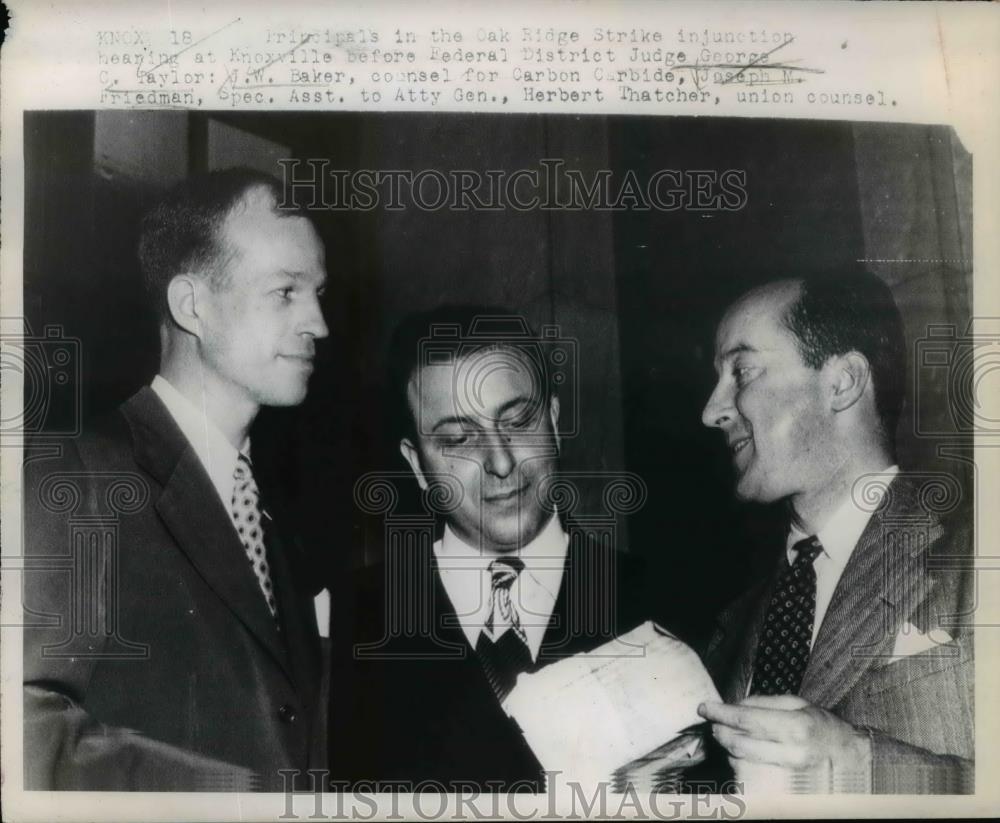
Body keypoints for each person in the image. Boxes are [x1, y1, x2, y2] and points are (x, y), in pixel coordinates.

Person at [23, 168, 330, 791]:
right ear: (192, 305)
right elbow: (24, 730)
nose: (319, 324)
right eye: (285, 292)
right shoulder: (73, 475)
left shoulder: (277, 518)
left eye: (319, 292)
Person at [334, 307, 657, 791]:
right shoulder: (342, 625)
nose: (501, 461)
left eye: (518, 421)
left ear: (553, 420)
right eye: (459, 439)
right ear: (417, 466)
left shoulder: (670, 604)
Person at [697, 269, 974, 793]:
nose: (712, 410)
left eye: (742, 371)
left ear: (842, 382)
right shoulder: (730, 628)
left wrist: (857, 765)